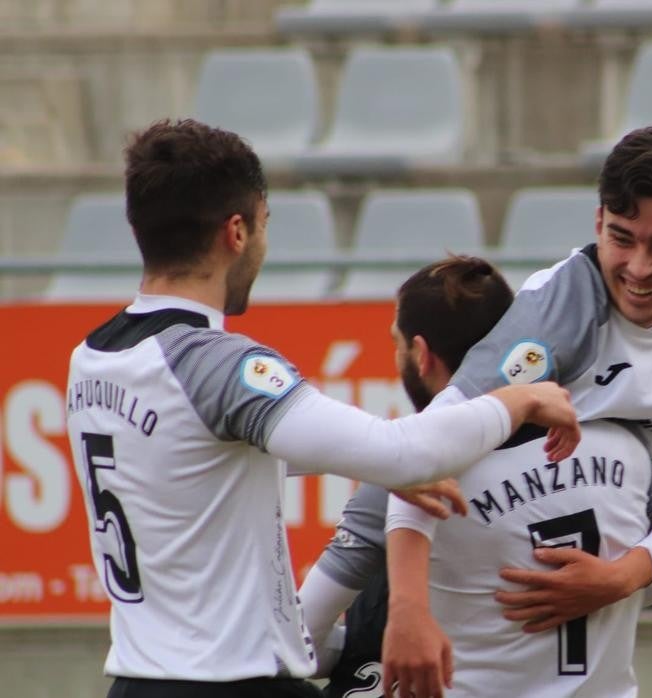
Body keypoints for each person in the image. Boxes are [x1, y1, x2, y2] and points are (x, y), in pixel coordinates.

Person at [64, 119, 579, 698]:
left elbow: (191, 460)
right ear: (236, 231)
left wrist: (364, 466)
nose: (262, 242)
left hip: (136, 681)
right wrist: (518, 397)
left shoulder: (93, 357)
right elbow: (406, 453)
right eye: (264, 225)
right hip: (229, 683)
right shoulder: (215, 363)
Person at [299, 122, 652, 694]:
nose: (638, 268)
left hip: (617, 526)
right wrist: (409, 612)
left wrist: (624, 575)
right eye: (622, 238)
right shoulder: (557, 312)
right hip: (520, 508)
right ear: (597, 225)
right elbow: (431, 445)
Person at [306, 257, 652, 697]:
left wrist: (362, 645)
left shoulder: (408, 477)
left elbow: (298, 637)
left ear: (421, 353)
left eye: (396, 344)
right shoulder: (624, 447)